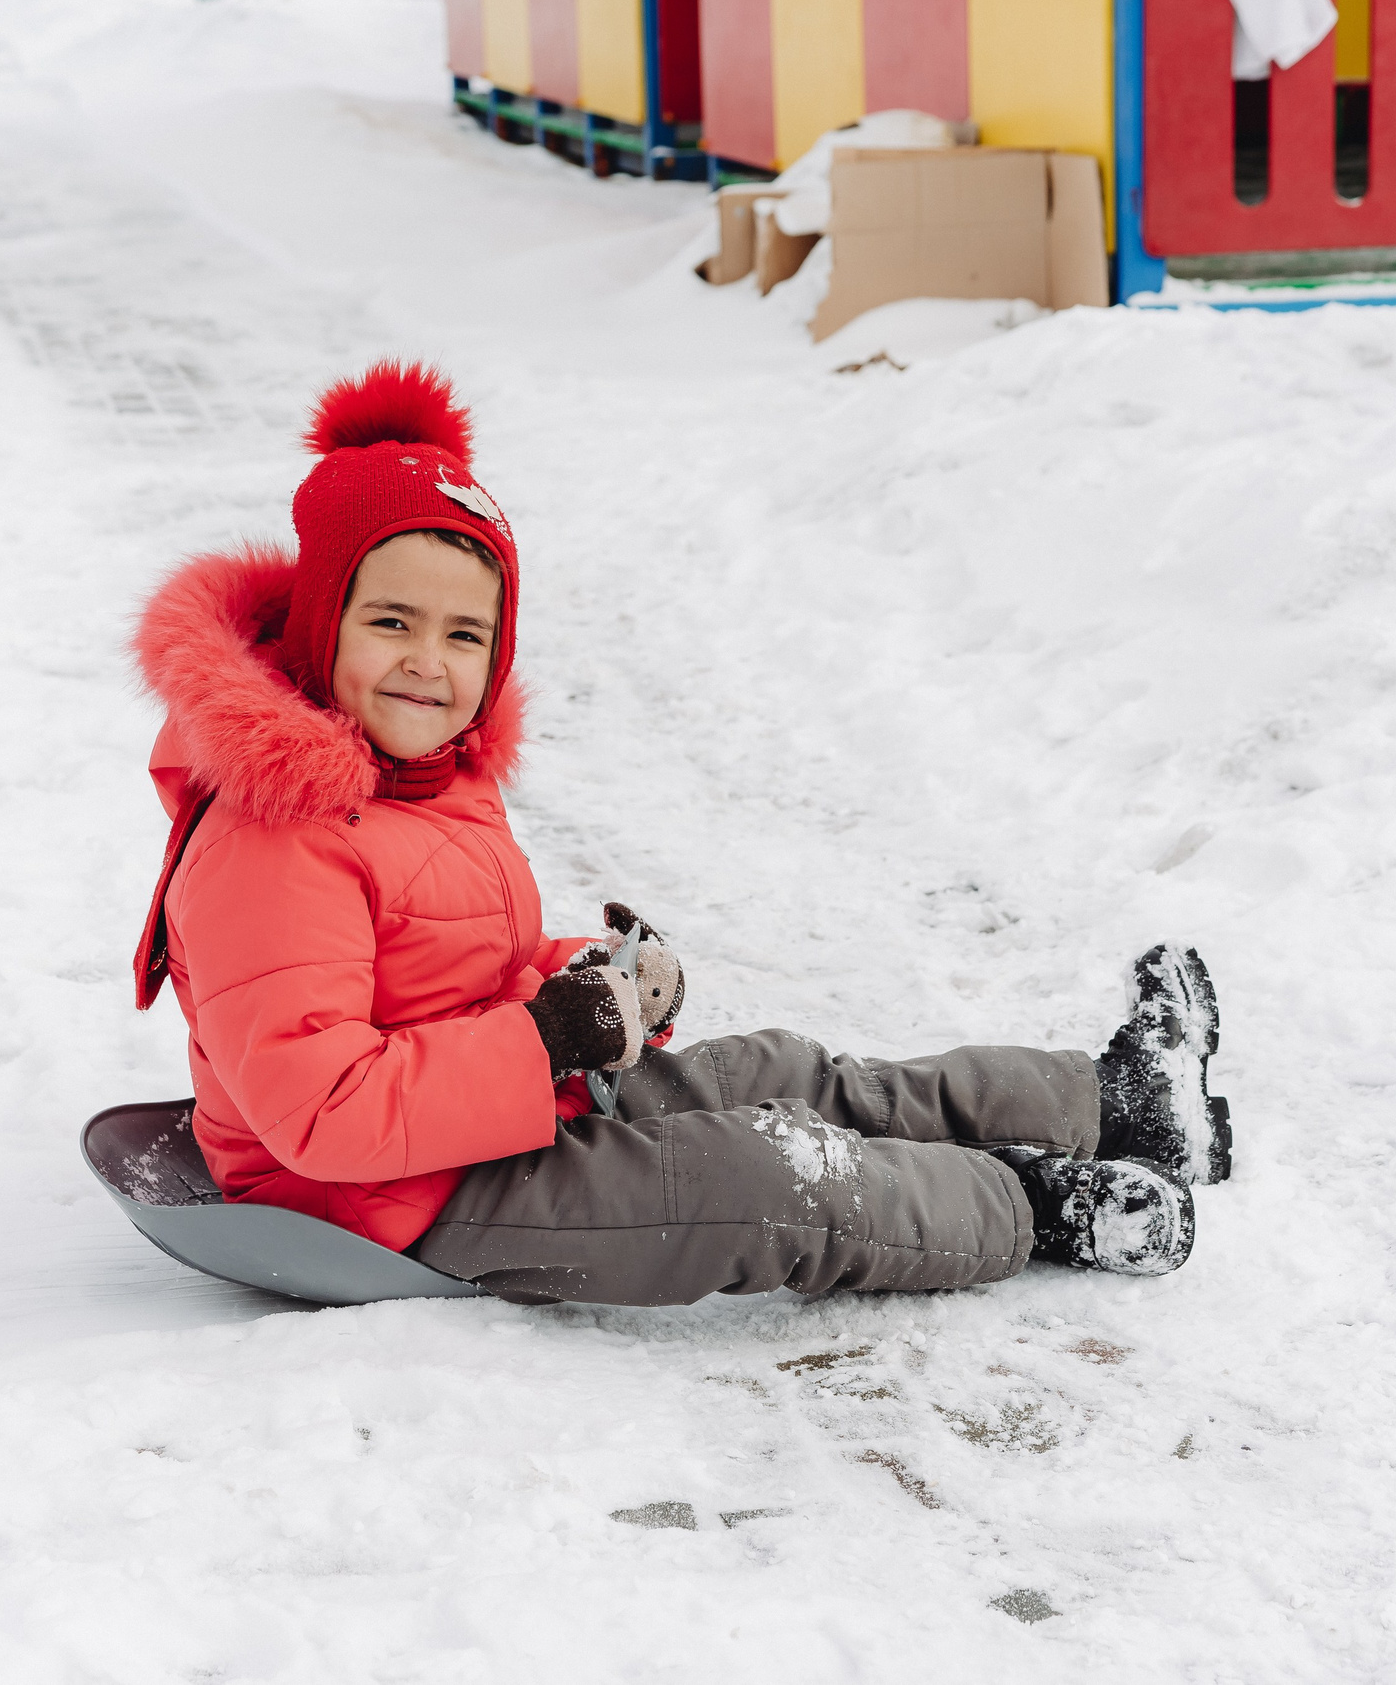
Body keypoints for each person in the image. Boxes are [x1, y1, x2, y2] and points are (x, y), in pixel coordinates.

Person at [129, 361, 1234, 1308]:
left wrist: (593, 986)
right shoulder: (271, 840)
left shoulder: (425, 773)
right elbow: (327, 1112)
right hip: (387, 1204)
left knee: (785, 1070)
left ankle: (1117, 1106)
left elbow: (450, 980)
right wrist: (551, 1038)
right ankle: (1032, 1205)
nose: (430, 661)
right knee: (760, 1175)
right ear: (324, 624)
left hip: (488, 1119)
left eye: (466, 633)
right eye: (390, 622)